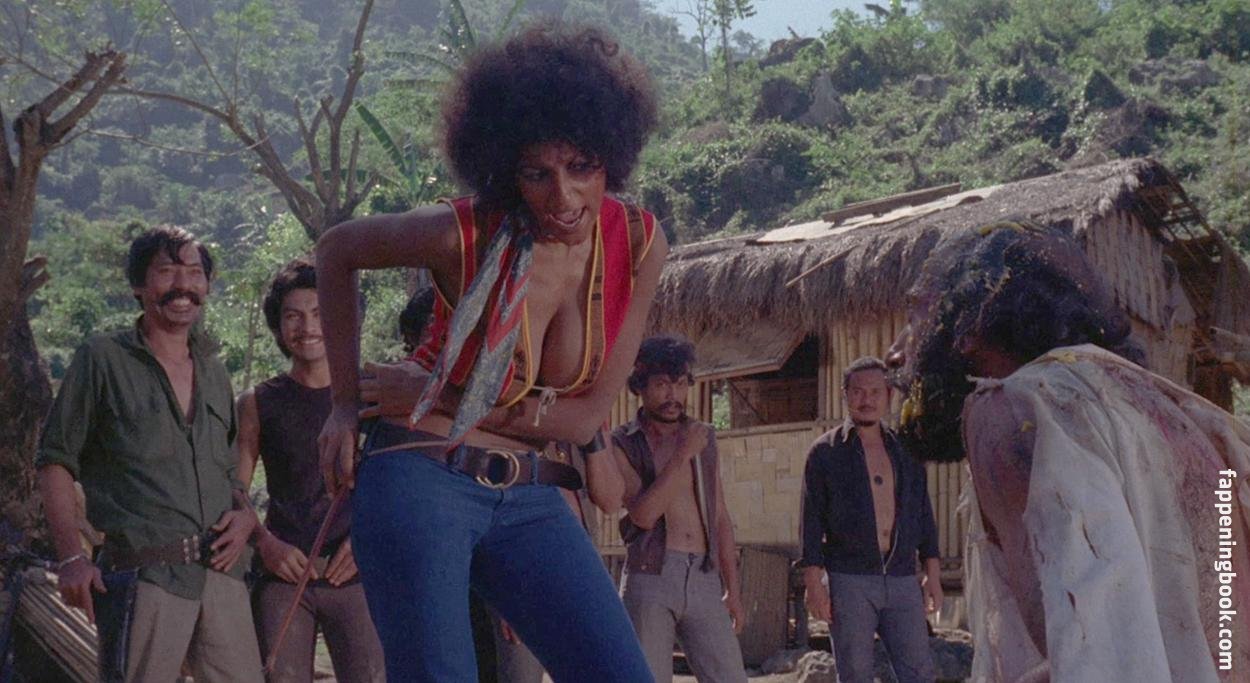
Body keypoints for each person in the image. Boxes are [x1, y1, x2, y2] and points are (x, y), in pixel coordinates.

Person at [313, 20, 664, 682]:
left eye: (581, 167)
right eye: (537, 174)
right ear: (506, 171)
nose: (563, 196)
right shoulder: (463, 234)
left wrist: (444, 397)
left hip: (529, 491)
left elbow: (584, 420)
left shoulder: (640, 244)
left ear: (612, 157)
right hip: (419, 475)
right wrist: (341, 404)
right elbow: (336, 251)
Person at [886, 220, 1250, 682]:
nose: (896, 352)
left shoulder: (1015, 410)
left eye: (915, 315)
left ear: (970, 322)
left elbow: (1097, 654)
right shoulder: (1169, 411)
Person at [36, 226, 263, 683]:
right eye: (166, 272)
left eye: (194, 273)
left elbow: (228, 473)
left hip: (221, 578)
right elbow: (55, 461)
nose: (183, 286)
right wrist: (71, 558)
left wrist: (245, 518)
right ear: (139, 285)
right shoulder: (102, 359)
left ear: (207, 286)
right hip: (145, 578)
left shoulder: (214, 371)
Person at [235, 259, 385, 682]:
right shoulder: (257, 402)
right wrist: (265, 543)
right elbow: (235, 488)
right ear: (278, 325)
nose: (308, 327)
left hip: (355, 572)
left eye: (321, 313)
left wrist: (366, 539)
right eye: (294, 316)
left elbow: (398, 486)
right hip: (284, 574)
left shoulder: (372, 397)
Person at [612, 335, 747, 683]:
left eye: (681, 384)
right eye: (661, 385)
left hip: (703, 573)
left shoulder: (703, 436)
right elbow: (643, 515)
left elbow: (720, 516)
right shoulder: (623, 441)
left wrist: (733, 589)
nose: (673, 395)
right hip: (650, 574)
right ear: (640, 386)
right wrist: (683, 454)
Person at [799, 356, 940, 683]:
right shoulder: (825, 453)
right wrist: (814, 585)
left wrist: (932, 575)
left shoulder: (906, 450)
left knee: (919, 672)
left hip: (902, 578)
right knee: (855, 674)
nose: (867, 400)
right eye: (858, 392)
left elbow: (924, 516)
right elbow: (810, 523)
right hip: (849, 579)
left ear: (888, 395)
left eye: (875, 392)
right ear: (845, 394)